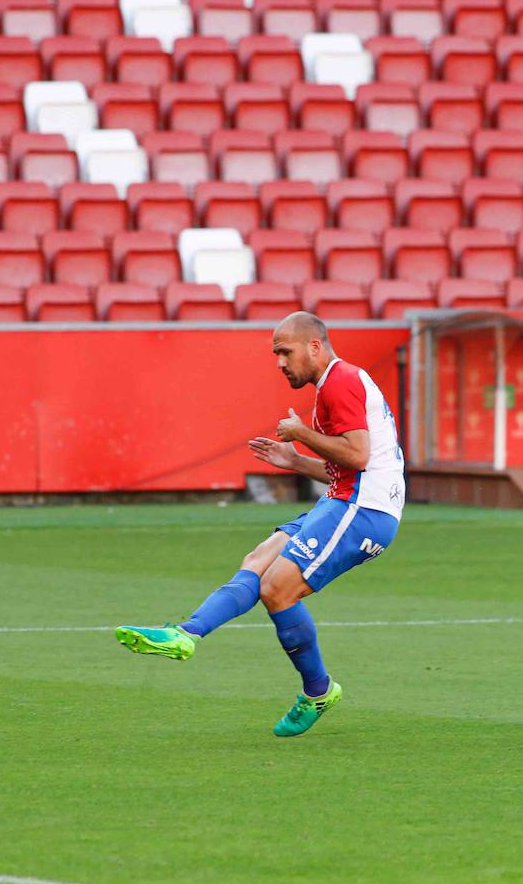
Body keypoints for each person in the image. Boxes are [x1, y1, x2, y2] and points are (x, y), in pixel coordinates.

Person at [115, 312, 405, 737]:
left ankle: (318, 691)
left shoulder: (341, 380)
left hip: (364, 511)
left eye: (285, 352)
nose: (280, 362)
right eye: (276, 354)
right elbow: (350, 469)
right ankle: (185, 634)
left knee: (276, 588)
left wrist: (302, 435)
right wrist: (294, 461)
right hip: (349, 499)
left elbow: (359, 458)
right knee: (258, 560)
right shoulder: (335, 384)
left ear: (314, 346)